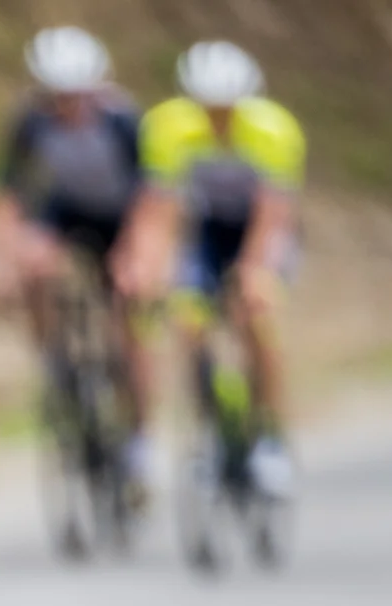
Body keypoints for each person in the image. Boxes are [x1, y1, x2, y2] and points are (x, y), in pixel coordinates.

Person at [0, 26, 152, 489]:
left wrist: (135, 255)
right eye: (57, 97)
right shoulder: (30, 121)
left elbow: (152, 197)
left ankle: (138, 442)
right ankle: (55, 359)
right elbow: (6, 195)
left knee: (128, 319)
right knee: (34, 265)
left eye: (77, 95)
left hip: (121, 216)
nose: (68, 106)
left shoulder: (123, 120)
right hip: (67, 212)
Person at [129, 41, 306, 497]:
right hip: (206, 231)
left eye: (227, 109)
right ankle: (208, 436)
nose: (217, 118)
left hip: (262, 231)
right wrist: (150, 266)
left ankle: (270, 440)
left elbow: (274, 213)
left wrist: (253, 271)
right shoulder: (167, 128)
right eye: (208, 109)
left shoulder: (273, 129)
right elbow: (160, 209)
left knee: (257, 318)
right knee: (188, 325)